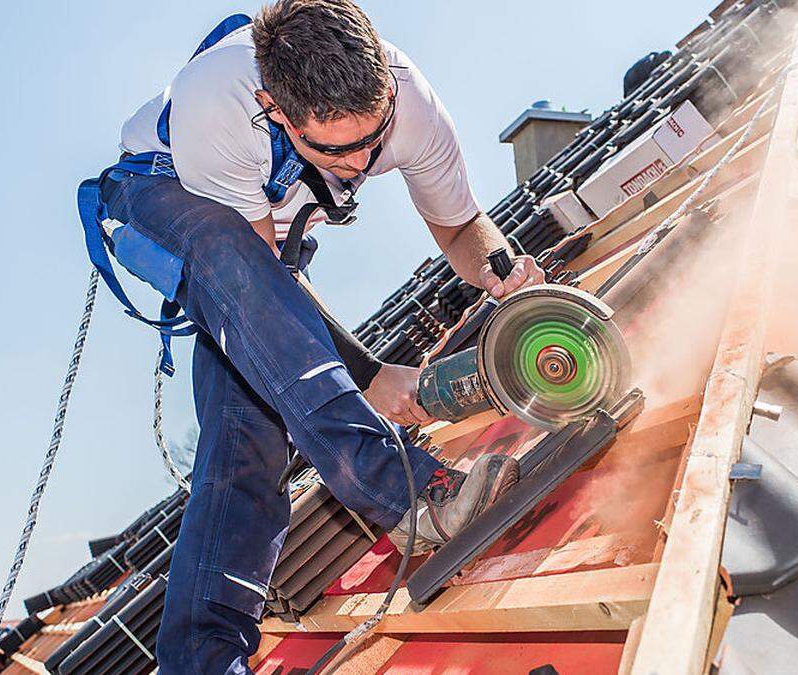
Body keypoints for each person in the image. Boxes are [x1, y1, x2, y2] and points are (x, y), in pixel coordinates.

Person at [77, 1, 544, 671]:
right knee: (232, 264)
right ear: (274, 108)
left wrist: (510, 278)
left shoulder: (412, 102)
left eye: (371, 141)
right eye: (331, 150)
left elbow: (461, 227)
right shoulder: (220, 104)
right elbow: (259, 285)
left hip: (257, 258)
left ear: (386, 85)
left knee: (251, 442)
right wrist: (369, 372)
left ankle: (200, 661)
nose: (356, 166)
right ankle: (406, 490)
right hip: (165, 195)